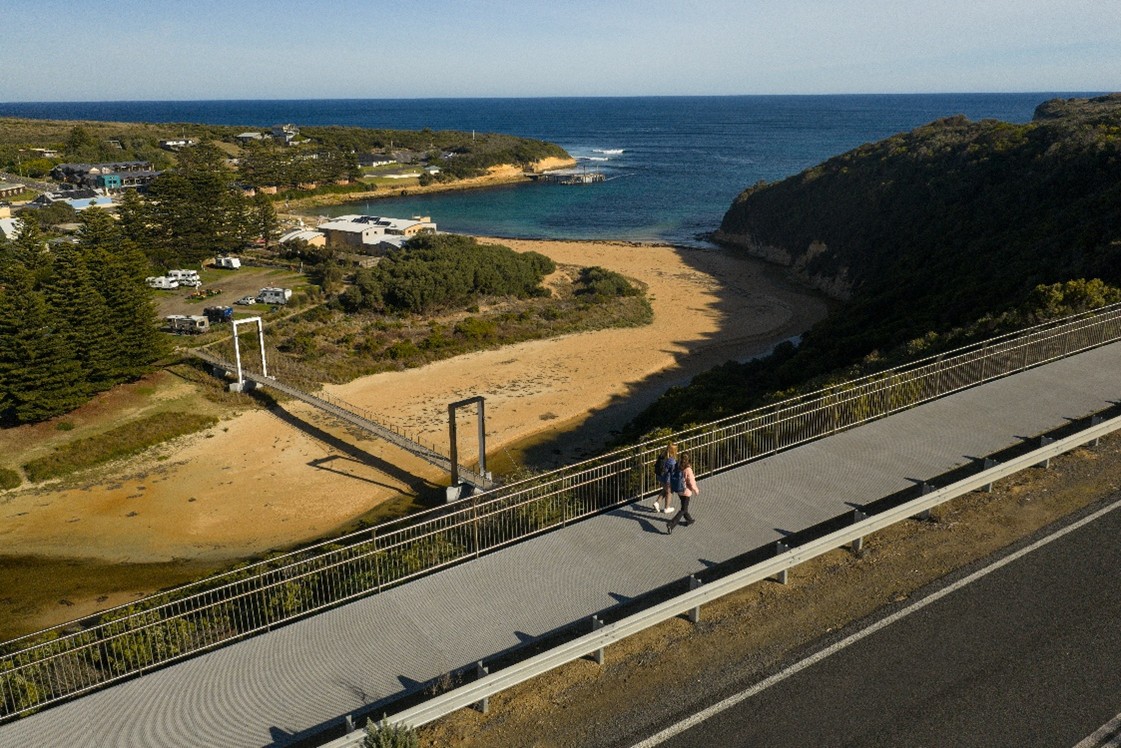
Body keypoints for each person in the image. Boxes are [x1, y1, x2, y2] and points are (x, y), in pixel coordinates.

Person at [666, 453, 699, 534]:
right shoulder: (688, 469)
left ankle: (689, 520)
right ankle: (671, 524)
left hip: (679, 490)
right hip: (686, 491)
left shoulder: (678, 465)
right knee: (683, 510)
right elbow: (691, 481)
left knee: (684, 506)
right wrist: (696, 490)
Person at [654, 442, 678, 514]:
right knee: (669, 492)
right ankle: (666, 508)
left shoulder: (662, 454)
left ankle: (657, 503)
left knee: (665, 489)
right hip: (667, 478)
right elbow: (673, 473)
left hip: (660, 476)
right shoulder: (672, 461)